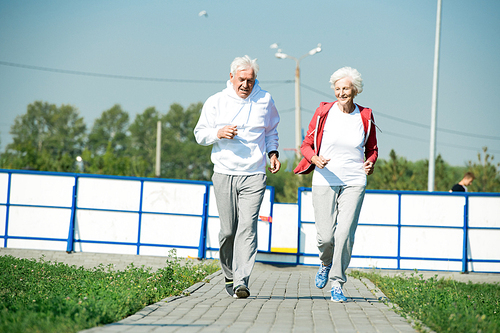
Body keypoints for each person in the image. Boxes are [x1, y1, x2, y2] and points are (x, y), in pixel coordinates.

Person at [194, 55, 281, 299]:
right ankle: (229, 274)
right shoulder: (216, 102)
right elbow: (200, 134)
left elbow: (271, 130)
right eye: (241, 79)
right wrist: (218, 132)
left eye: (250, 80)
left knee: (247, 228)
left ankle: (241, 281)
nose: (246, 85)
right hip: (224, 172)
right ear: (231, 77)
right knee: (228, 232)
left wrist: (272, 152)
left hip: (254, 173)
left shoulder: (265, 100)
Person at [293, 67, 378, 302]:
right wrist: (314, 158)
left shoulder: (365, 116)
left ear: (355, 91)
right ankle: (325, 262)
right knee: (325, 237)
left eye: (346, 89)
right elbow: (306, 145)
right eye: (338, 89)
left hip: (354, 180)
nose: (341, 93)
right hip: (325, 178)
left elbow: (372, 149)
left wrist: (370, 162)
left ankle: (337, 282)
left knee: (344, 234)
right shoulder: (323, 113)